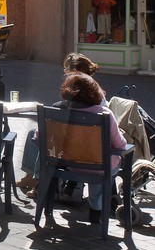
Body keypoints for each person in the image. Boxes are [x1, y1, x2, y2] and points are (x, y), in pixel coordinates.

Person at [23, 73, 130, 215]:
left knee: (97, 164)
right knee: (105, 165)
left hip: (68, 165)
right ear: (94, 92)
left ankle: (50, 204)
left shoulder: (56, 111)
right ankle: (96, 209)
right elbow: (120, 146)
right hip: (99, 167)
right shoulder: (105, 114)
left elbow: (37, 137)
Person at [17, 53, 100, 196]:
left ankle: (38, 182)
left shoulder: (68, 100)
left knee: (43, 137)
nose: (65, 73)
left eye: (66, 70)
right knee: (39, 134)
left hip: (70, 149)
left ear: (74, 72)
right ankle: (31, 178)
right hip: (91, 147)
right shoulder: (97, 96)